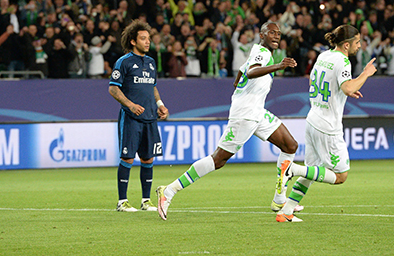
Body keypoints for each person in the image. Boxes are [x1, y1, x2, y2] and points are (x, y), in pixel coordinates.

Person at [156, 22, 300, 221]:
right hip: (246, 114)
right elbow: (251, 72)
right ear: (262, 34)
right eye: (272, 33)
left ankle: (279, 199)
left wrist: (241, 90)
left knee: (290, 145)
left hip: (256, 111)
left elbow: (241, 73)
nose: (276, 36)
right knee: (219, 159)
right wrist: (279, 66)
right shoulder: (263, 53)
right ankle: (169, 191)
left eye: (279, 33)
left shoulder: (257, 51)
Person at [275, 24, 377, 222]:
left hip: (313, 118)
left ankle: (286, 211)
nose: (359, 46)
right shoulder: (343, 62)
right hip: (328, 126)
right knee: (340, 176)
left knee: (312, 170)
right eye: (357, 42)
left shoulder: (324, 56)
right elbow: (347, 87)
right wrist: (365, 74)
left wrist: (342, 90)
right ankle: (291, 169)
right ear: (346, 45)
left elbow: (322, 82)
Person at [108, 20, 169, 212]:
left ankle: (146, 201)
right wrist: (131, 105)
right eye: (143, 38)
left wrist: (160, 104)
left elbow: (152, 86)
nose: (147, 42)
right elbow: (113, 89)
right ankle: (122, 201)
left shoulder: (150, 63)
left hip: (150, 117)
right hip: (131, 118)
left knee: (148, 159)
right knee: (127, 158)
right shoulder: (123, 62)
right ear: (133, 41)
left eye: (149, 39)